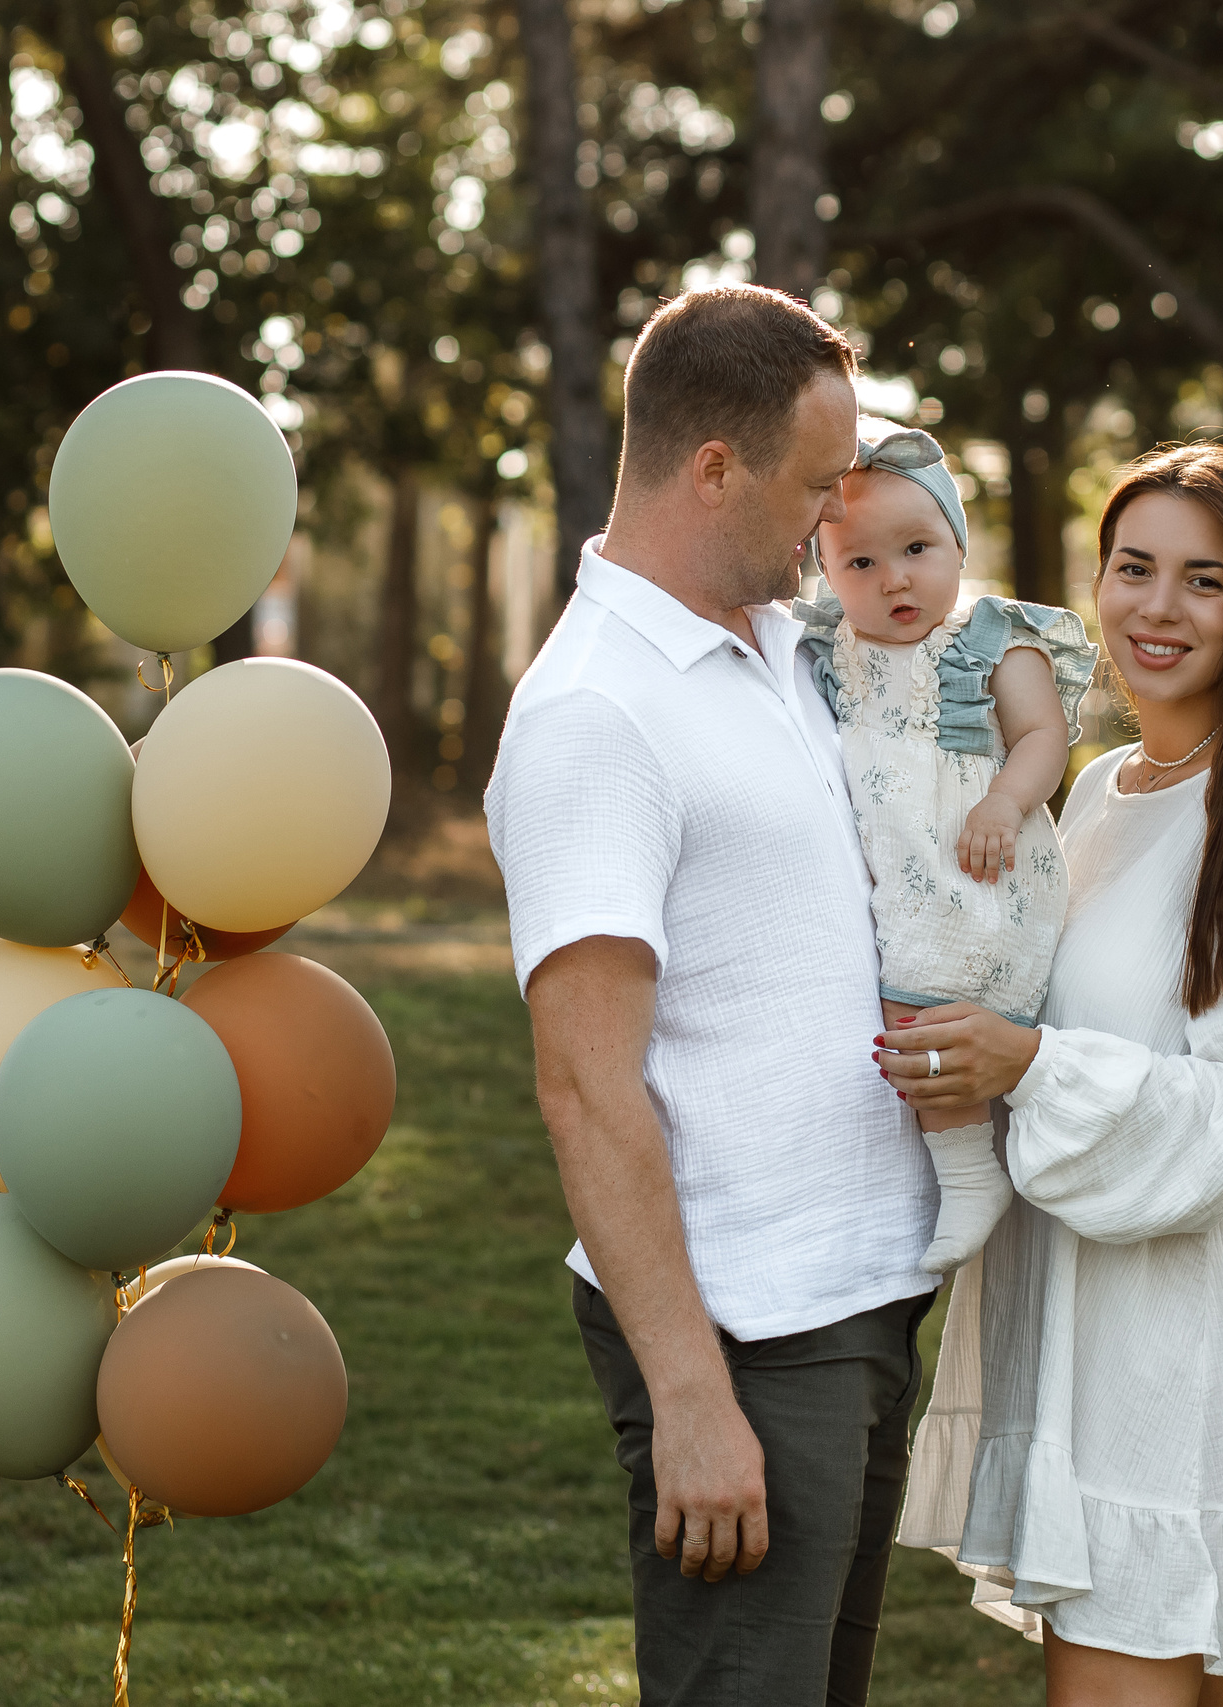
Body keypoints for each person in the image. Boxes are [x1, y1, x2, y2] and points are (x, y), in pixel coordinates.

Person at [885, 444, 1223, 1707]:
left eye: (1205, 582)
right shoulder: (1099, 791)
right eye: (1133, 569)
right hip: (1102, 1348)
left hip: (1188, 1377)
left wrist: (1023, 1062)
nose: (1156, 609)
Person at [484, 285, 940, 1706]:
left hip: (863, 1298)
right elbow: (583, 1081)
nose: (831, 524)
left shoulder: (778, 647)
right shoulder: (594, 714)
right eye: (814, 488)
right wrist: (690, 1396)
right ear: (713, 468)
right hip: (743, 1331)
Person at [794, 421, 1099, 1274]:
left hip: (977, 867)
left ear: (958, 549)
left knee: (933, 1011)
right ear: (829, 574)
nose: (894, 578)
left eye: (917, 548)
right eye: (860, 563)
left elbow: (1042, 734)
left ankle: (974, 1171)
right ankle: (969, 1165)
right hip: (897, 876)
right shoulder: (829, 653)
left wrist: (1006, 798)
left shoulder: (988, 640)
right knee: (909, 1015)